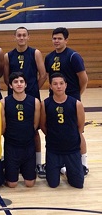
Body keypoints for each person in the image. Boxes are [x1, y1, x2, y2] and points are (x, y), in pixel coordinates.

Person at [44, 27, 89, 175]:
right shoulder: (49, 57)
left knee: (77, 131)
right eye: (54, 38)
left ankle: (83, 163)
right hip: (54, 99)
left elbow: (84, 79)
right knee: (57, 130)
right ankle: (60, 162)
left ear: (66, 40)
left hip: (70, 99)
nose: (56, 41)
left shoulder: (73, 56)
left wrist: (75, 95)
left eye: (59, 38)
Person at [4, 26, 47, 178]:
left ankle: (38, 163)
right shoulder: (8, 56)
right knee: (12, 128)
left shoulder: (35, 53)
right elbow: (6, 77)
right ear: (14, 37)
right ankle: (12, 160)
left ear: (29, 37)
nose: (21, 38)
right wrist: (16, 90)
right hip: (14, 98)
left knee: (34, 131)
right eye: (19, 35)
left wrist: (32, 90)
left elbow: (43, 75)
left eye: (24, 35)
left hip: (31, 96)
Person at [40, 73, 85, 189]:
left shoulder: (76, 104)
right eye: (55, 84)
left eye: (61, 83)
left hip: (72, 149)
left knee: (78, 184)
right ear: (50, 86)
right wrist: (53, 137)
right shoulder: (45, 103)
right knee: (53, 184)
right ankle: (56, 167)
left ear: (66, 85)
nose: (58, 86)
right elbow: (43, 125)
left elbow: (80, 127)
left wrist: (71, 137)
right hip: (53, 150)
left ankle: (66, 170)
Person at [1, 72, 40, 188]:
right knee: (12, 184)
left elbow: (35, 124)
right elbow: (3, 126)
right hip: (11, 147)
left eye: (21, 81)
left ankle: (27, 168)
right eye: (15, 82)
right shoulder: (4, 102)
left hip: (28, 146)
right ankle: (5, 167)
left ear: (26, 85)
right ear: (10, 85)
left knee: (30, 183)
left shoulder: (35, 102)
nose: (19, 84)